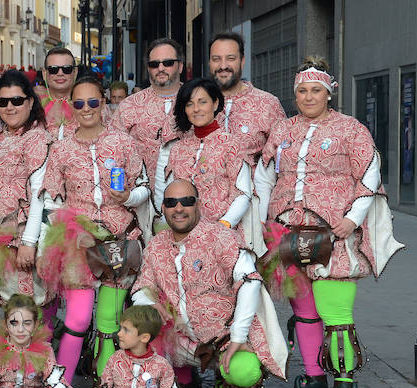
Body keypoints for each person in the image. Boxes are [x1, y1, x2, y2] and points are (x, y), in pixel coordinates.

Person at [254, 57, 403, 388]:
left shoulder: (351, 129)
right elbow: (264, 176)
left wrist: (352, 219)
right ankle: (314, 378)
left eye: (315, 90)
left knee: (336, 314)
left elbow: (369, 173)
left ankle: (345, 384)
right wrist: (262, 223)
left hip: (333, 235)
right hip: (287, 233)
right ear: (295, 94)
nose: (308, 97)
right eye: (302, 91)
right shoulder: (282, 130)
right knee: (305, 312)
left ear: (328, 93)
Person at [131, 179, 287, 388]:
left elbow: (250, 280)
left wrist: (238, 336)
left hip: (224, 340)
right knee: (137, 329)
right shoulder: (156, 245)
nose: (179, 208)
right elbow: (140, 287)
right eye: (171, 203)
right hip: (181, 342)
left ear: (198, 204)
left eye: (186, 201)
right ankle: (184, 384)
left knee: (245, 371)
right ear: (163, 208)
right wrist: (149, 304)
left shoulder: (222, 237)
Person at [38, 75, 150, 384]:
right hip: (78, 246)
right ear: (71, 107)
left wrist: (128, 197)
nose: (86, 109)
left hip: (119, 241)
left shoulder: (124, 143)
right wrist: (65, 232)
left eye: (92, 102)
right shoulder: (60, 150)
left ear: (103, 102)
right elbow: (51, 201)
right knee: (77, 319)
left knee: (108, 321)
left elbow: (144, 187)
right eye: (78, 103)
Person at [0, 70, 53, 314]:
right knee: (11, 314)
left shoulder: (36, 138)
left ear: (30, 102)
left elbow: (40, 194)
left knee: (25, 314)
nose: (10, 107)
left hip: (20, 242)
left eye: (17, 100)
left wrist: (28, 243)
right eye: (3, 101)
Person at [160, 77, 262, 254]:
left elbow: (243, 193)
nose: (196, 109)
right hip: (183, 237)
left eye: (202, 102)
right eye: (190, 104)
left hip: (223, 237)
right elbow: (168, 193)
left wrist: (224, 225)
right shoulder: (178, 149)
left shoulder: (231, 144)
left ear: (215, 104)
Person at [110, 38, 184, 192]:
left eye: (168, 63)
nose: (161, 68)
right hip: (140, 197)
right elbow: (112, 151)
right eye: (154, 64)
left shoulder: (197, 102)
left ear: (180, 66)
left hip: (189, 199)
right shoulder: (129, 106)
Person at [208, 32, 286, 163]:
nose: (223, 66)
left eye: (230, 58)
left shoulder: (268, 103)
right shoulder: (197, 105)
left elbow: (283, 155)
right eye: (216, 59)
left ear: (242, 61)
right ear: (209, 62)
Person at [37, 47, 78, 139]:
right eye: (53, 69)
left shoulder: (88, 105)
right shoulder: (32, 106)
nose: (60, 73)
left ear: (75, 72)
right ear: (44, 74)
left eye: (67, 69)